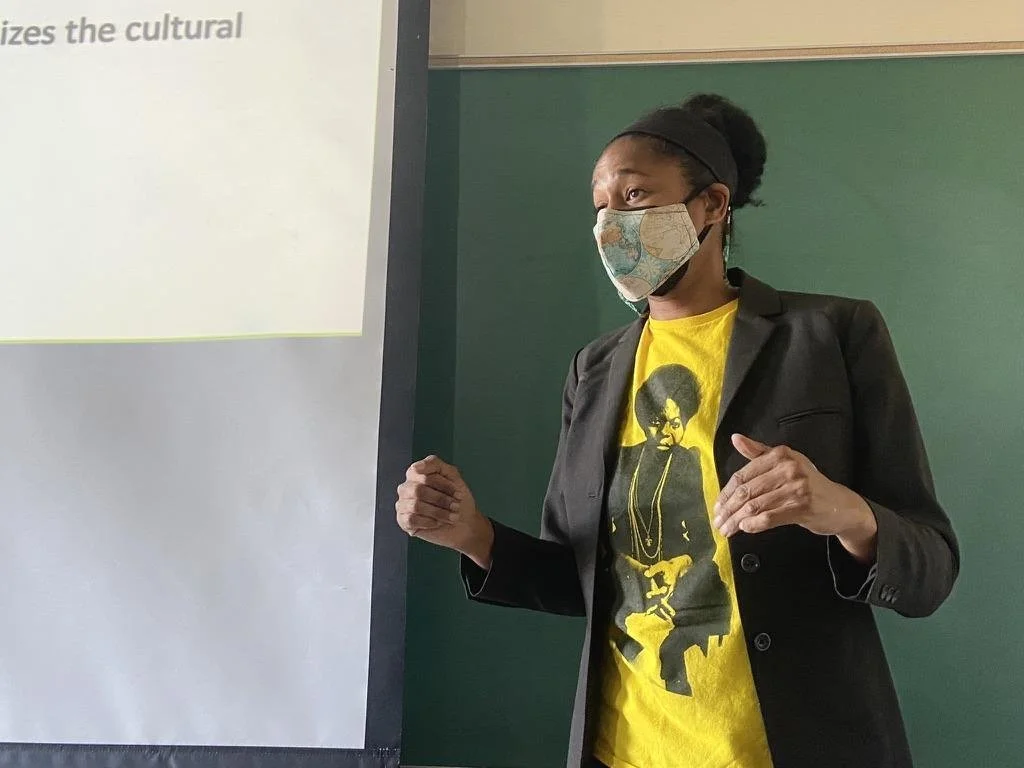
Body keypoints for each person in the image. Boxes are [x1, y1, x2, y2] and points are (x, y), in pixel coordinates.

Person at [396, 93, 959, 768]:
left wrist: (841, 511)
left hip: (790, 745)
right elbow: (580, 579)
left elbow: (930, 569)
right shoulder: (596, 369)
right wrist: (470, 533)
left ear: (713, 206)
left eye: (636, 196)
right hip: (625, 749)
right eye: (600, 206)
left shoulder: (831, 335)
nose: (612, 224)